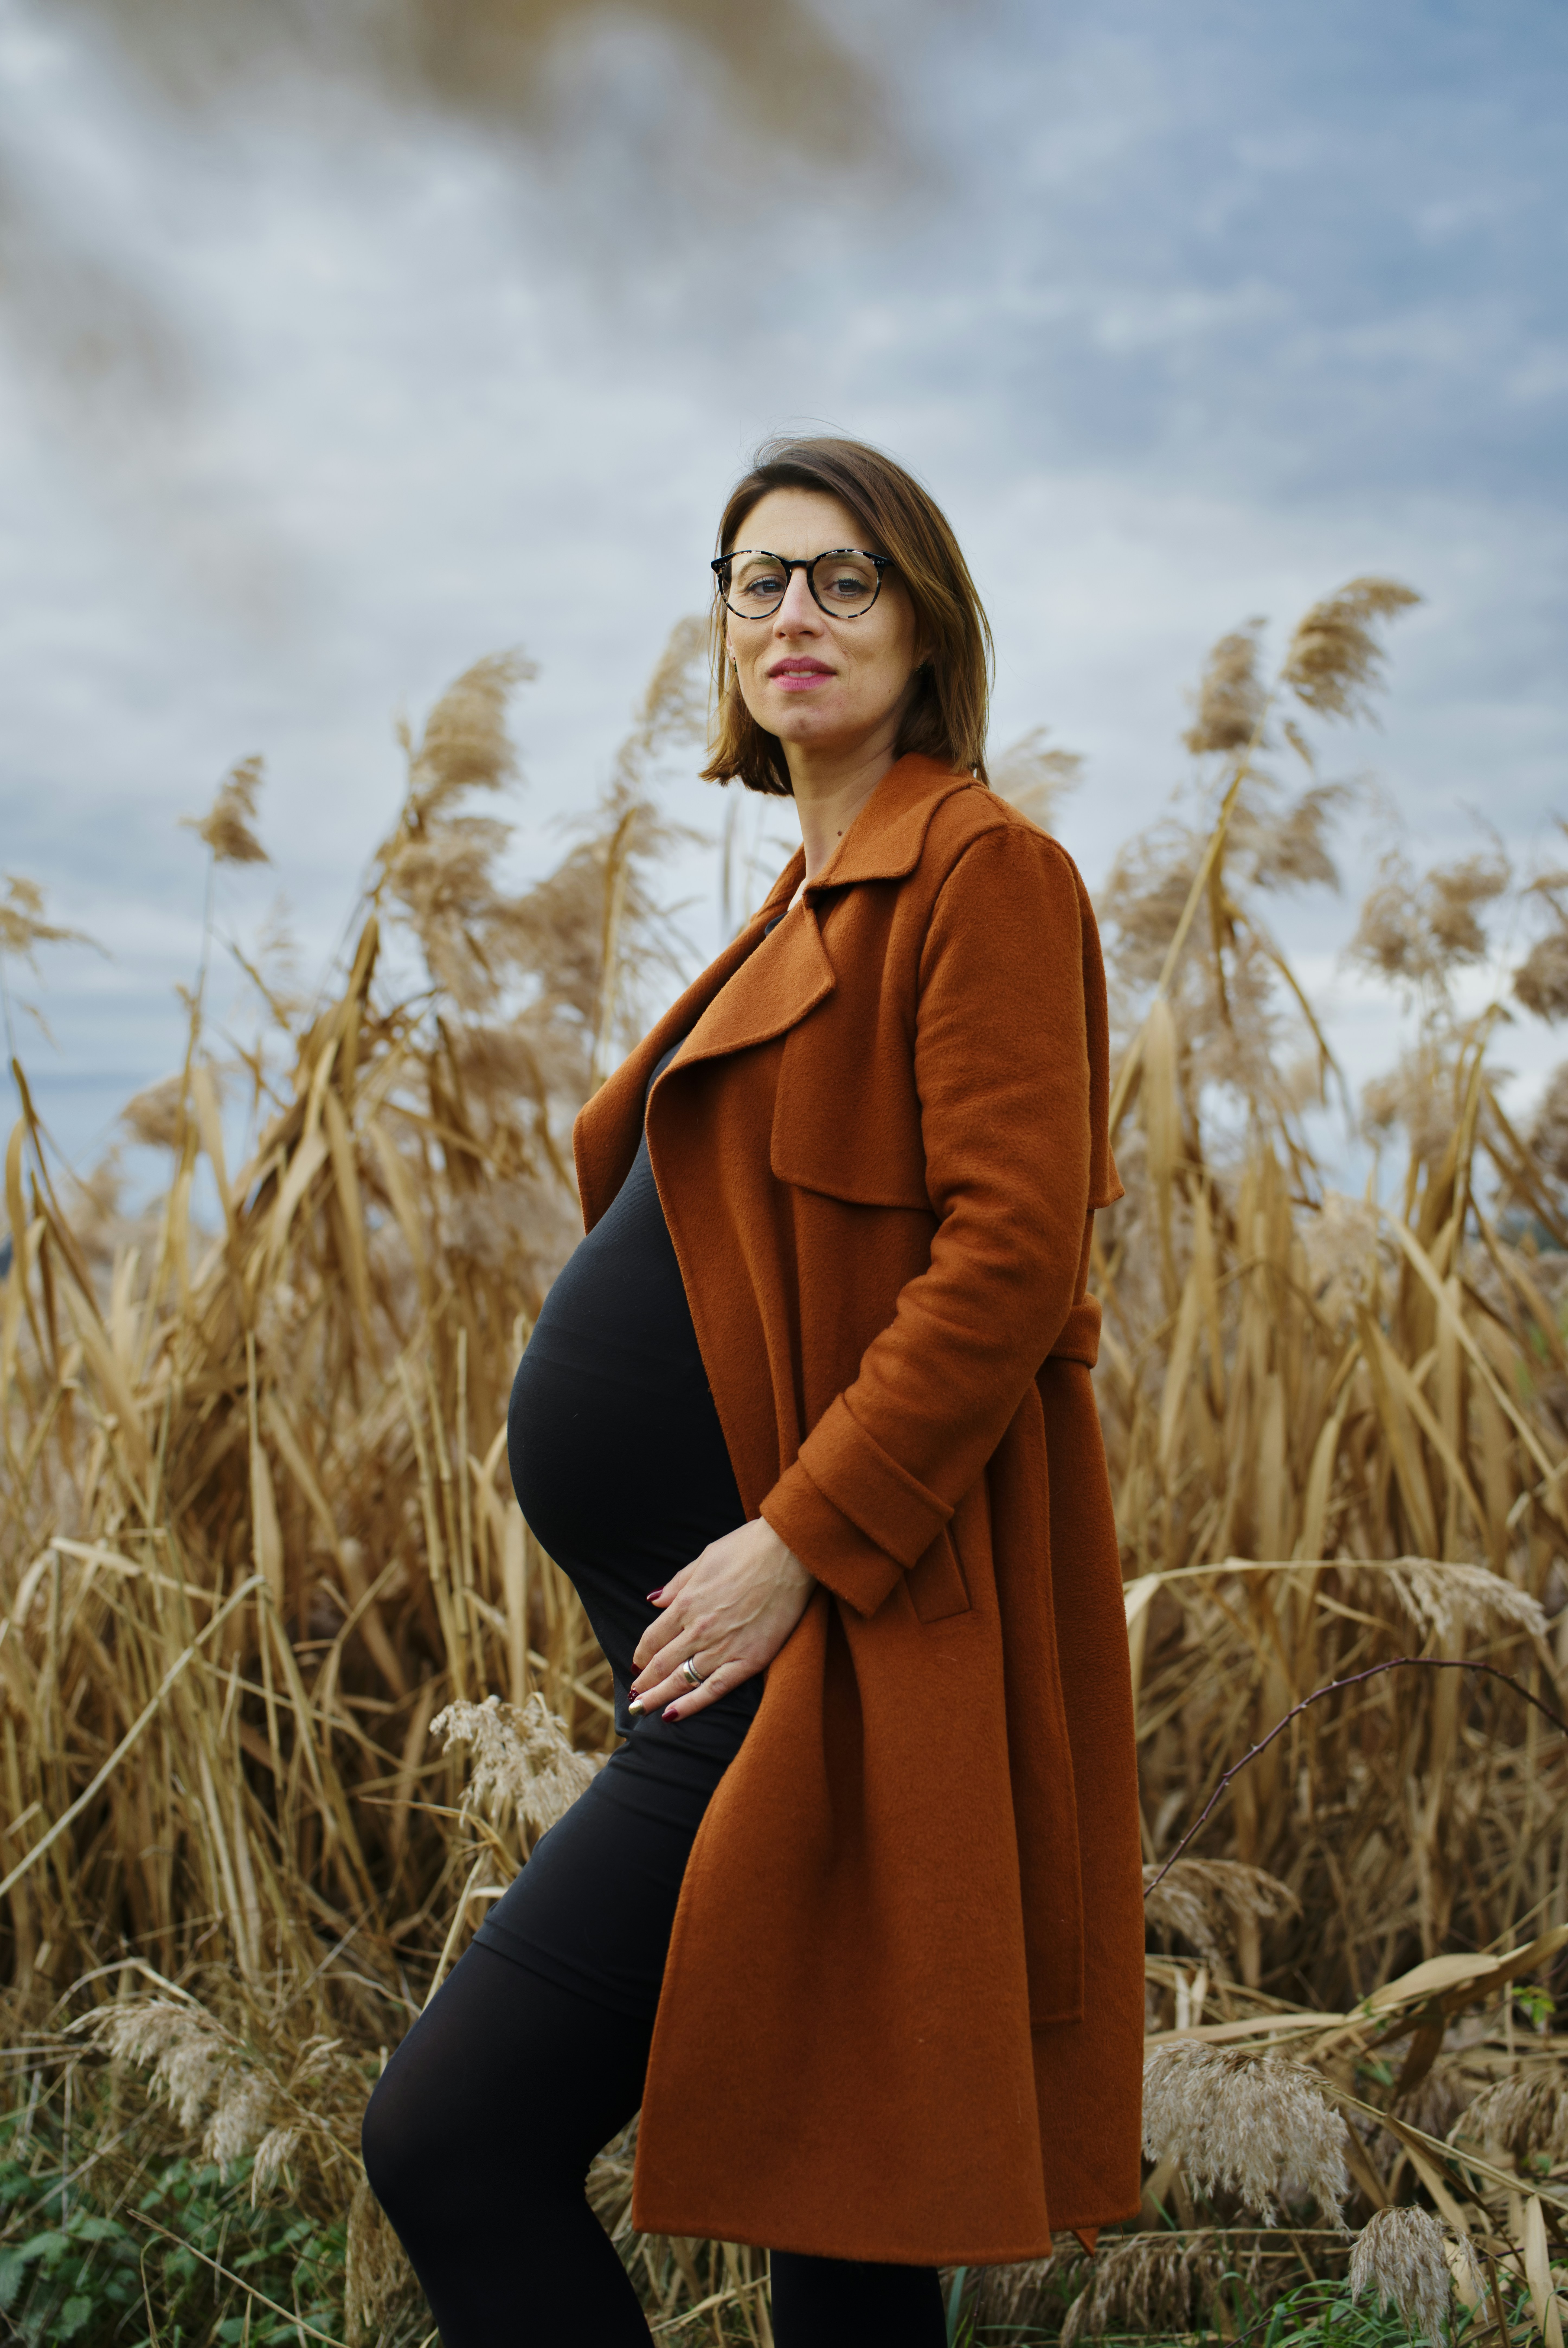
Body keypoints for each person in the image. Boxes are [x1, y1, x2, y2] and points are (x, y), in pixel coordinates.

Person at [362, 436, 1144, 2345]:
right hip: (736, 1673)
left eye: (841, 578)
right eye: (753, 579)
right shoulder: (804, 903)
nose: (789, 613)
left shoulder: (984, 870)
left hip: (846, 1659)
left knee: (453, 2139)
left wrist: (794, 1542)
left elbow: (1009, 1256)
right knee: (842, 2230)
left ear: (926, 619)